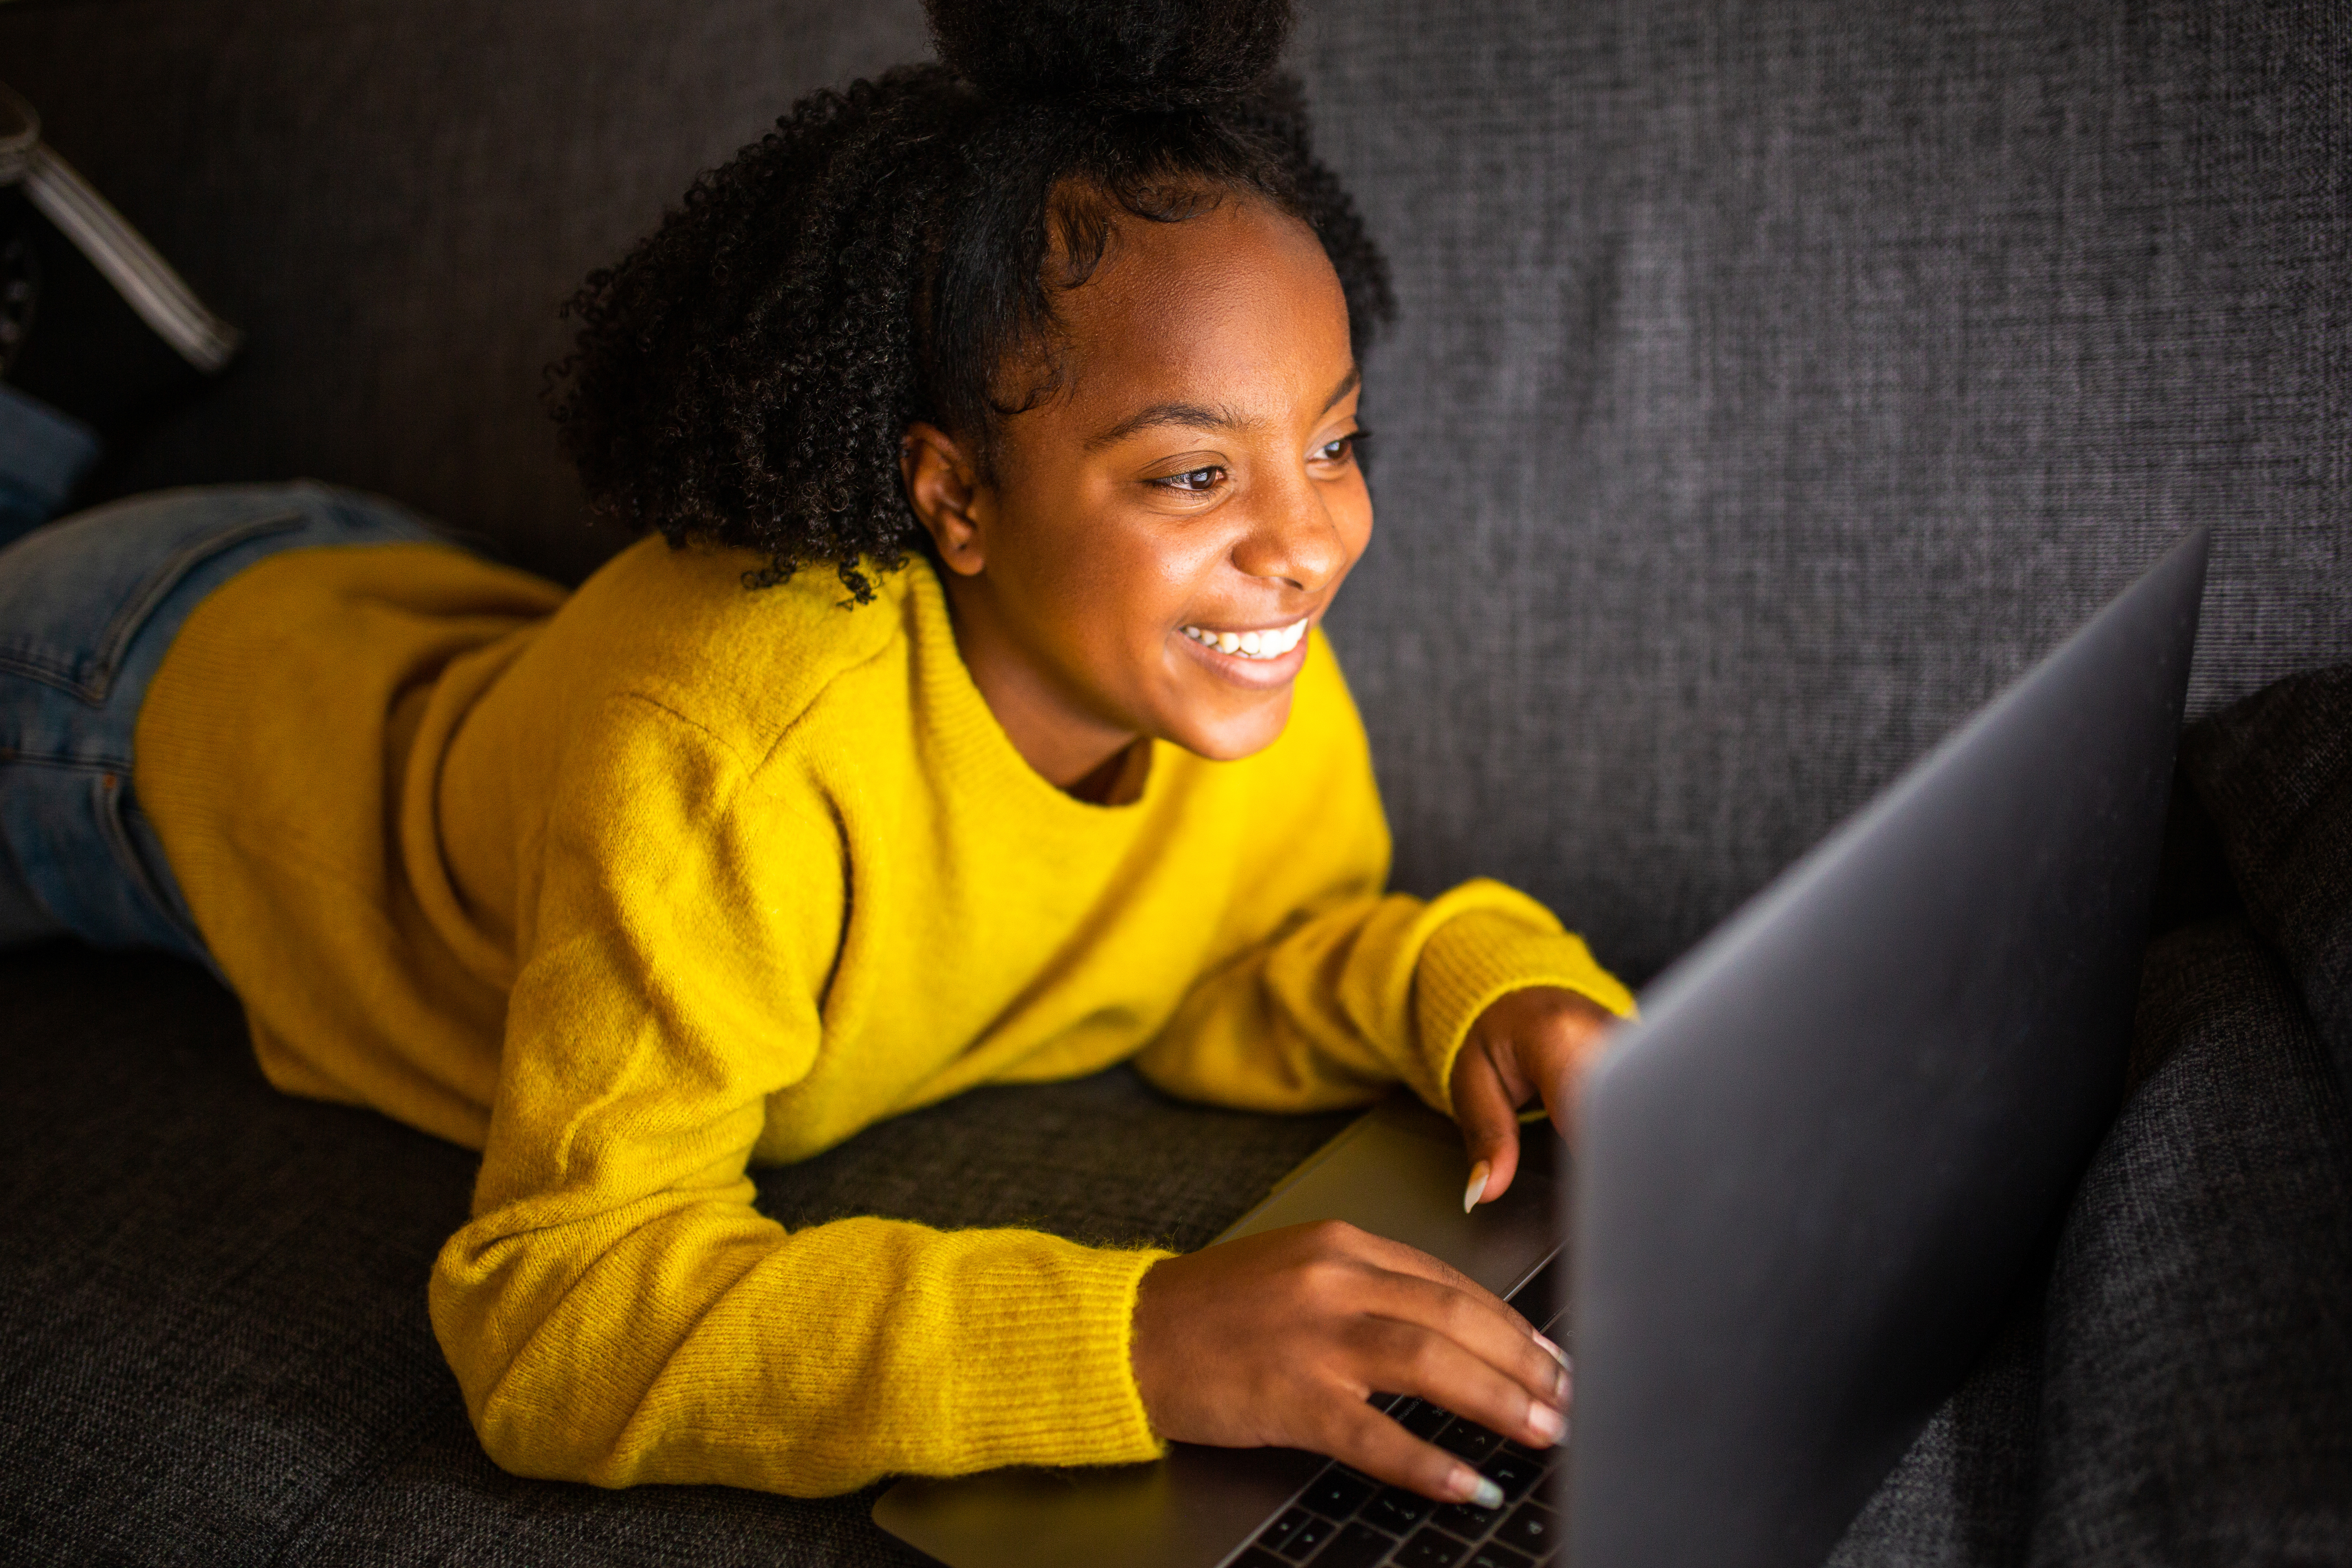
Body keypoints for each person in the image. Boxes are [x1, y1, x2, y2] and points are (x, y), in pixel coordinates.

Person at [0, 0, 1636, 1510]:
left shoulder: (1226, 646)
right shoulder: (729, 753)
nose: (1306, 544)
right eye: (1194, 477)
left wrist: (1479, 991)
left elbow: (1230, 957)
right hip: (124, 707)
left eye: (1333, 440)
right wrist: (1138, 1342)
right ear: (954, 499)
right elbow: (557, 1322)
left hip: (405, 609)